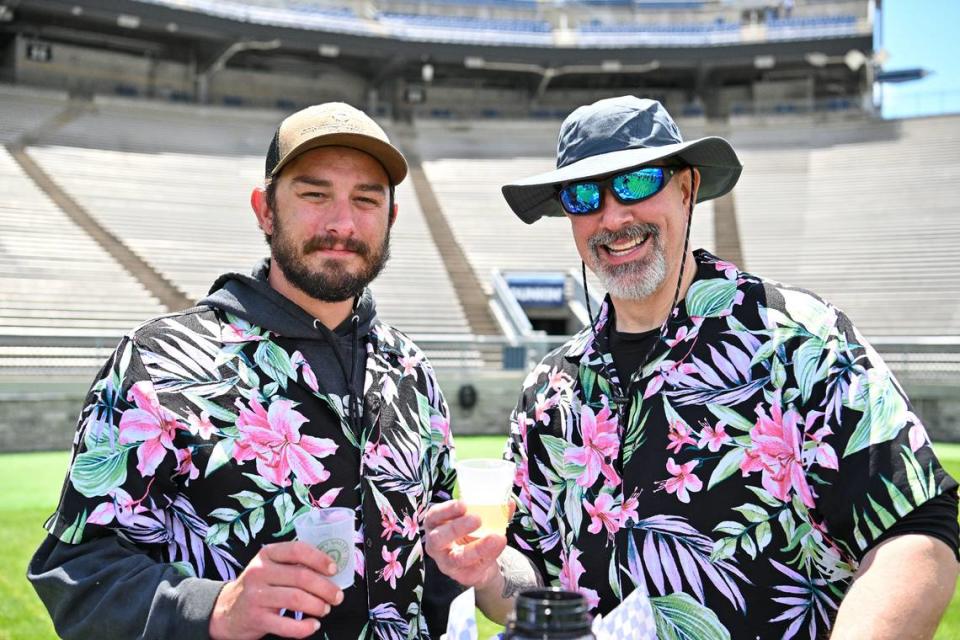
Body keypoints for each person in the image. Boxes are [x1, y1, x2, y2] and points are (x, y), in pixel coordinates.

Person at [425, 96, 959, 638]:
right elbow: (532, 574)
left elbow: (915, 532)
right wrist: (489, 572)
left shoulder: (798, 339)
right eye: (584, 195)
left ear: (687, 188)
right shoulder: (551, 390)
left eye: (637, 182)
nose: (613, 216)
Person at [29, 102, 460, 639]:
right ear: (265, 210)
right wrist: (215, 607)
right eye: (314, 194)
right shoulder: (159, 362)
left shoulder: (411, 372)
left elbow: (436, 561)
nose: (342, 223)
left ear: (390, 218)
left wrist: (462, 570)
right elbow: (75, 572)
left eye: (366, 200)